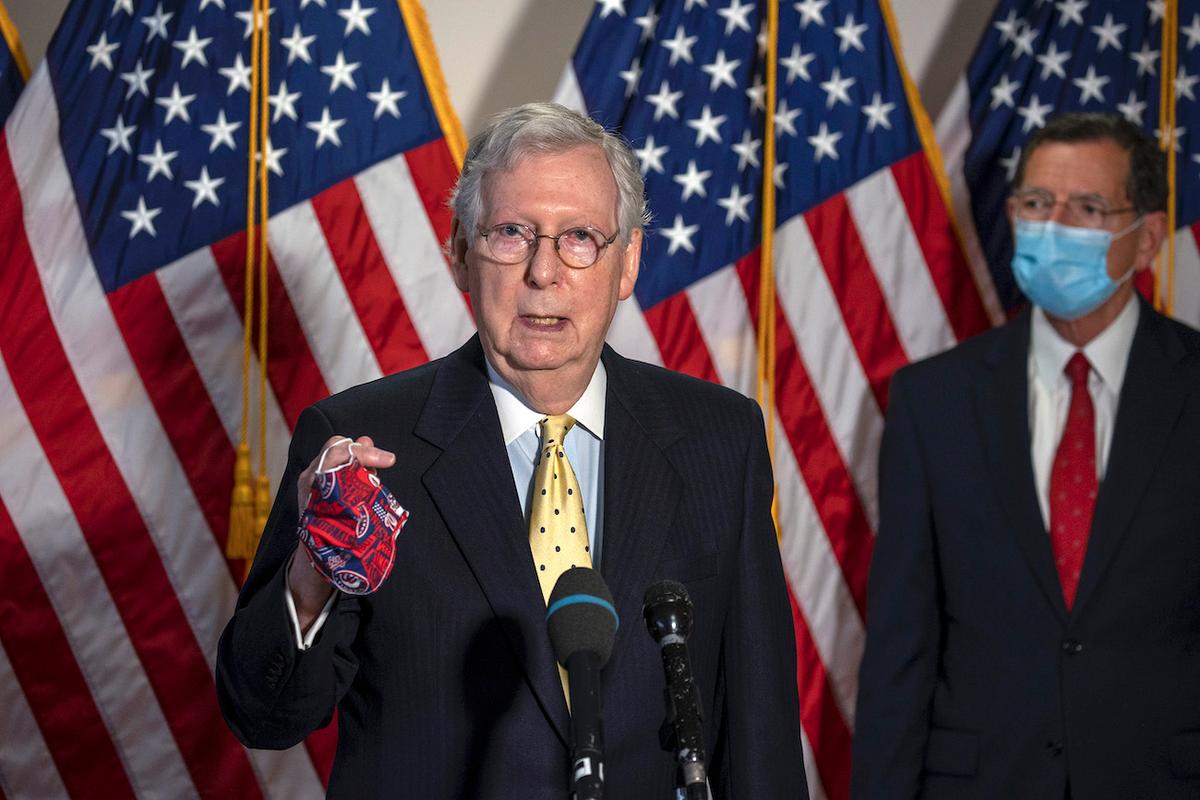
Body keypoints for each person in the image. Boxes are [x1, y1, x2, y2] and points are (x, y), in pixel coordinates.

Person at [216, 102, 807, 799]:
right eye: (510, 234)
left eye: (580, 237)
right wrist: (311, 576)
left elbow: (760, 735)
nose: (543, 273)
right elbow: (264, 715)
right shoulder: (362, 447)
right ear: (462, 254)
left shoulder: (720, 437)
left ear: (627, 263)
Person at [851, 111, 1200, 799]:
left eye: (1089, 207)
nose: (1054, 225)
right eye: (1038, 203)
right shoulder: (934, 400)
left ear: (1148, 238)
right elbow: (901, 649)